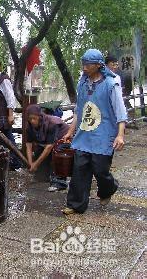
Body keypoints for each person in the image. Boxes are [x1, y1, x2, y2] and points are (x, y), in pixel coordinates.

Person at [61, 49, 127, 215]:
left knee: (100, 170)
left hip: (103, 135)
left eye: (88, 64)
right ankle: (76, 204)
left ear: (99, 65)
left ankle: (108, 188)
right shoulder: (82, 83)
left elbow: (120, 111)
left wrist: (120, 135)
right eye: (83, 63)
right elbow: (79, 110)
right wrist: (70, 131)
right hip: (84, 134)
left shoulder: (111, 84)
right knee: (80, 169)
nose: (84, 67)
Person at [25, 104, 70, 191]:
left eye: (34, 118)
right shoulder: (29, 127)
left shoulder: (52, 123)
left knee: (57, 152)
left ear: (40, 116)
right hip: (47, 142)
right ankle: (42, 176)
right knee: (38, 151)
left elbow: (49, 147)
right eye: (30, 119)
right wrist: (31, 163)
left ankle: (59, 182)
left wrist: (36, 164)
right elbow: (28, 146)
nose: (32, 121)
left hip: (64, 139)